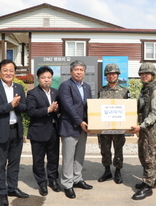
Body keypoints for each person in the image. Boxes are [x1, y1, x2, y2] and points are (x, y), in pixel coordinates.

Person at [0, 59, 29, 206]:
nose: (8, 73)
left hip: (16, 130)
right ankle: (2, 193)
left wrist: (17, 105)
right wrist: (10, 105)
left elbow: (25, 107)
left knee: (14, 163)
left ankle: (12, 188)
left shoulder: (18, 87)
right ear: (0, 71)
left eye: (11, 70)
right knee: (0, 164)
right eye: (5, 70)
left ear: (14, 72)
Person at [130, 62, 156, 200]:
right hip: (144, 128)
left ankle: (149, 186)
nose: (144, 76)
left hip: (152, 129)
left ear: (153, 75)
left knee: (150, 156)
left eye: (147, 73)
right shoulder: (145, 90)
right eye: (142, 74)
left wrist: (142, 125)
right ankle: (148, 179)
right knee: (143, 154)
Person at [58, 60, 93, 199]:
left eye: (81, 70)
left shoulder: (87, 87)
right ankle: (67, 184)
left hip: (83, 127)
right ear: (71, 72)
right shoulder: (65, 86)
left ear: (84, 72)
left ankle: (77, 179)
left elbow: (89, 106)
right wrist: (80, 122)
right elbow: (68, 106)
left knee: (79, 155)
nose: (79, 72)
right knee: (68, 157)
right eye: (76, 69)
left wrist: (92, 123)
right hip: (70, 126)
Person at [26, 66, 60, 196]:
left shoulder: (55, 92)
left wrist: (57, 109)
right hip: (38, 131)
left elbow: (60, 109)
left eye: (49, 77)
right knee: (38, 159)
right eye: (43, 78)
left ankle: (53, 180)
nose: (46, 80)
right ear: (38, 79)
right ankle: (41, 183)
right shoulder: (33, 93)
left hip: (53, 130)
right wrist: (48, 109)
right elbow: (31, 111)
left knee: (53, 157)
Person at [97, 63, 130, 184]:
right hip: (104, 127)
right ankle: (107, 170)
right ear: (106, 76)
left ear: (117, 75)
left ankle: (117, 171)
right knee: (104, 149)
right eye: (109, 74)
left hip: (118, 127)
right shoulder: (101, 91)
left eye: (114, 73)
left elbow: (129, 110)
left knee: (118, 149)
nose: (111, 76)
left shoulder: (124, 91)